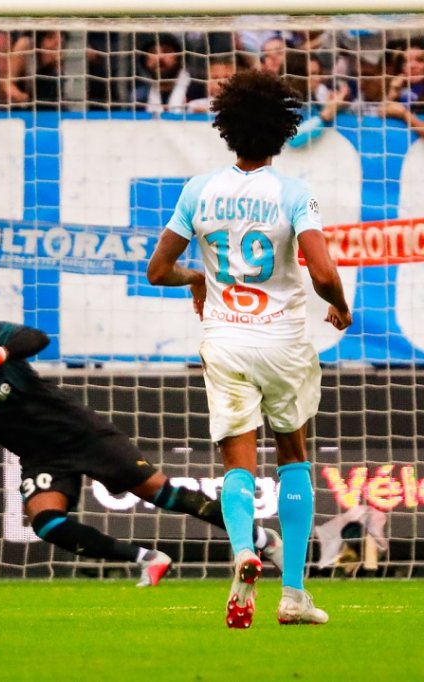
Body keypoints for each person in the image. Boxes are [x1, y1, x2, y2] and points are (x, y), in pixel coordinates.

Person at [146, 69, 352, 627]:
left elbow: (156, 270)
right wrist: (341, 306)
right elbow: (325, 272)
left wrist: (197, 278)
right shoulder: (293, 194)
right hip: (283, 342)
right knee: (293, 457)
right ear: (283, 132)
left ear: (226, 127)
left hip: (226, 341)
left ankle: (242, 550)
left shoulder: (199, 190)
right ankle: (293, 595)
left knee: (237, 462)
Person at [0, 300, 283, 588]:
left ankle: (260, 537)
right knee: (45, 522)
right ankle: (148, 558)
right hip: (42, 457)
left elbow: (36, 339)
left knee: (160, 492)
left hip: (81, 432)